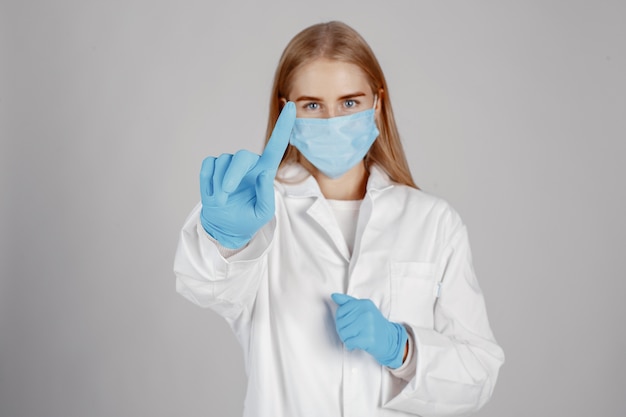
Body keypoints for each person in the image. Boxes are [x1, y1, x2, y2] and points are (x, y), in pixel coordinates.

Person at [174, 21, 504, 417]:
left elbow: (478, 376)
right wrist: (223, 238)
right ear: (285, 112)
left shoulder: (433, 222)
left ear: (377, 104)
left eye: (350, 103)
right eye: (312, 105)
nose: (332, 121)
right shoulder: (258, 211)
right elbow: (204, 286)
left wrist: (401, 348)